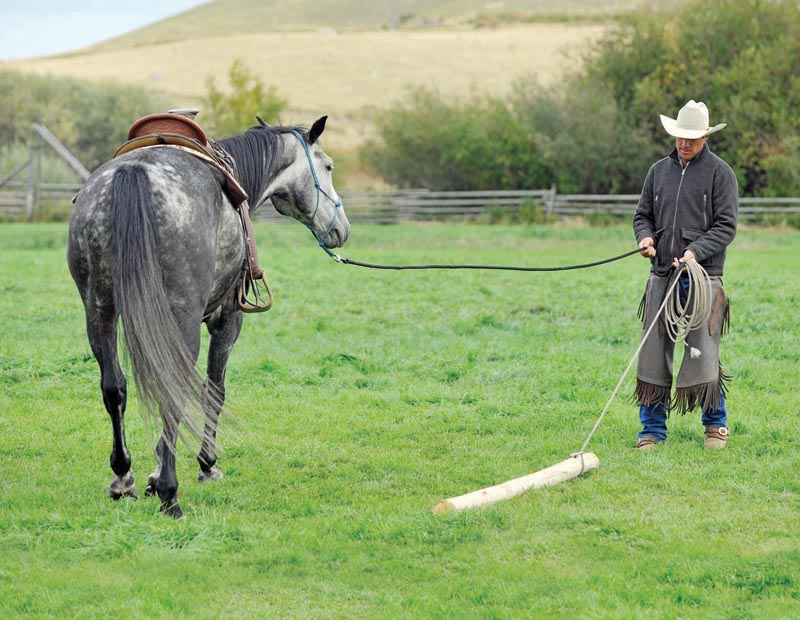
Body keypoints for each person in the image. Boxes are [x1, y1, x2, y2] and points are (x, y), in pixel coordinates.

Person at [632, 100, 738, 450]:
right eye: (680, 137)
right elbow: (642, 215)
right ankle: (651, 431)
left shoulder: (721, 174)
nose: (685, 143)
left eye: (692, 138)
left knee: (703, 351)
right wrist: (645, 238)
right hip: (662, 273)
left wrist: (696, 252)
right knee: (652, 350)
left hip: (703, 278)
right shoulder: (657, 171)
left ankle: (715, 426)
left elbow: (726, 226)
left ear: (706, 136)